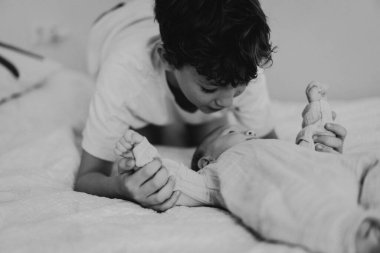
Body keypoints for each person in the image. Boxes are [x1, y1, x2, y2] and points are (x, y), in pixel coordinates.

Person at [74, 0, 347, 211]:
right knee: (164, 133)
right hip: (116, 23)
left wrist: (317, 152)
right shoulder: (124, 73)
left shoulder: (239, 63)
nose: (227, 102)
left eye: (238, 89)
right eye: (210, 87)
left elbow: (268, 148)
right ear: (167, 59)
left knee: (209, 134)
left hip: (179, 28)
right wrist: (122, 187)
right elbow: (87, 176)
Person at [115, 127, 380, 253]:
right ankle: (358, 233)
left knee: (372, 162)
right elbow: (176, 179)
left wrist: (320, 137)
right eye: (233, 131)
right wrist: (143, 154)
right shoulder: (218, 171)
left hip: (332, 169)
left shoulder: (277, 145)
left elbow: (309, 149)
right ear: (207, 161)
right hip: (287, 185)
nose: (248, 131)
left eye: (246, 130)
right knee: (294, 204)